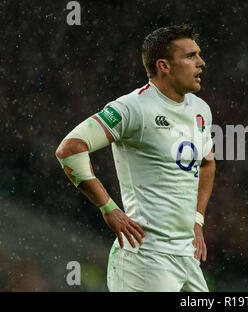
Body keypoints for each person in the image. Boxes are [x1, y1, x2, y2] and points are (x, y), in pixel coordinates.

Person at [55, 24, 215, 292]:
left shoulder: (200, 109)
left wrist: (197, 221)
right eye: (190, 56)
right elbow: (70, 149)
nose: (201, 62)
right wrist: (108, 208)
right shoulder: (133, 108)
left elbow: (207, 163)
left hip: (186, 255)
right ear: (164, 65)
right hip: (146, 258)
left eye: (198, 54)